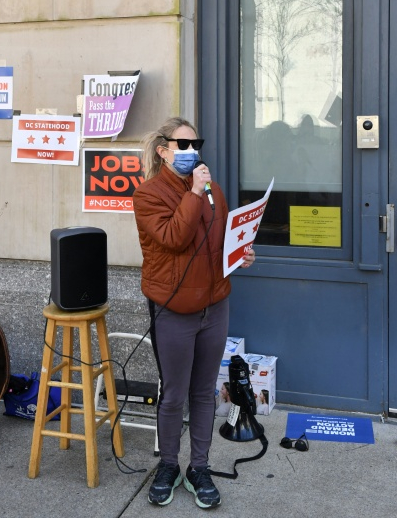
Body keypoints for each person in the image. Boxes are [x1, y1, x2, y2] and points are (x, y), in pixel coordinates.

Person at [133, 116, 255, 509]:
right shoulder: (148, 195)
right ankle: (168, 465)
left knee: (203, 393)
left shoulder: (213, 191)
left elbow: (217, 245)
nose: (191, 152)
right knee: (173, 395)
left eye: (195, 144)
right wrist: (194, 192)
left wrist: (241, 253)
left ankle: (198, 468)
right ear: (162, 151)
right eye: (182, 146)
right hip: (174, 310)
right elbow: (174, 238)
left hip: (214, 306)